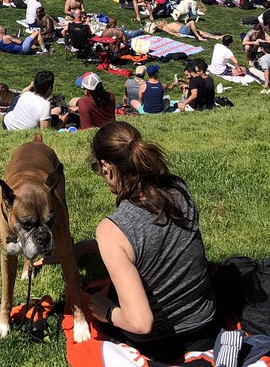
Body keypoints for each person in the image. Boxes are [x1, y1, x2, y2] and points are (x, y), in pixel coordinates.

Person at [77, 121, 218, 361]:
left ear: (106, 168)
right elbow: (151, 245)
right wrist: (82, 248)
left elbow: (140, 322)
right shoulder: (178, 188)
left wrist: (107, 311)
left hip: (159, 344)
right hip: (206, 327)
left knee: (103, 300)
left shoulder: (113, 230)